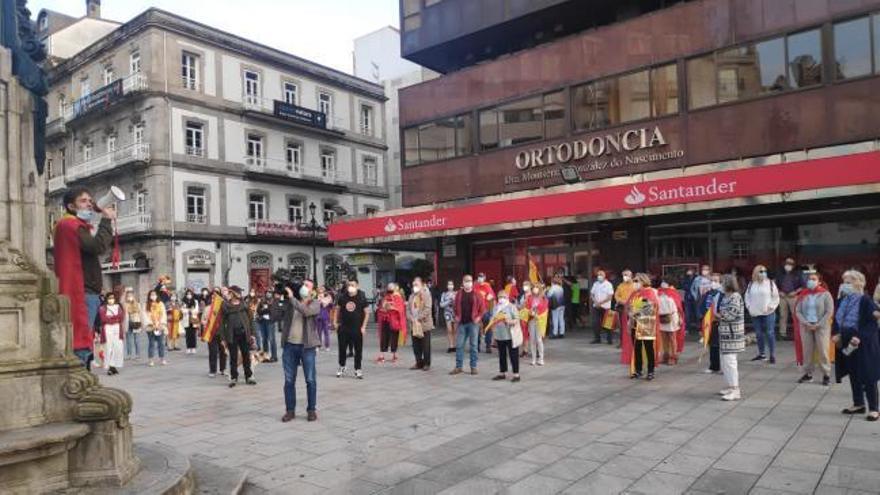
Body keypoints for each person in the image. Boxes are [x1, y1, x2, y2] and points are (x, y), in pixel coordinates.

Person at [52, 187, 115, 369]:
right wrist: (105, 221)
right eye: (83, 201)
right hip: (83, 293)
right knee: (81, 342)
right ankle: (79, 381)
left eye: (90, 200)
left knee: (83, 339)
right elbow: (97, 246)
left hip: (86, 291)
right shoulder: (71, 225)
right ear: (71, 206)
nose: (89, 204)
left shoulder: (71, 225)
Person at [833, 270, 880, 421]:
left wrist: (859, 337)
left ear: (857, 283)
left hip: (863, 342)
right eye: (844, 282)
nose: (844, 285)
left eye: (848, 282)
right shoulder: (842, 300)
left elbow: (872, 324)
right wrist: (835, 333)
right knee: (853, 372)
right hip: (846, 340)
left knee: (868, 374)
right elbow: (837, 319)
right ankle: (858, 403)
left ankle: (874, 408)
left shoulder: (865, 300)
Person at [281, 282, 321, 422]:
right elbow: (277, 314)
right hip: (289, 346)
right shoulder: (292, 301)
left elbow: (306, 311)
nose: (304, 287)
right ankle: (290, 411)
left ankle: (311, 410)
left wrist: (292, 298)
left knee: (310, 380)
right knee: (289, 380)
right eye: (303, 284)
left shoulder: (315, 303)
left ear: (312, 290)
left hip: (307, 347)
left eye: (307, 285)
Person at [795, 271, 834, 386]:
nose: (810, 281)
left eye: (813, 279)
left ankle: (826, 374)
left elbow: (829, 311)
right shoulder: (804, 294)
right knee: (807, 351)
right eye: (809, 279)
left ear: (819, 282)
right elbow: (798, 311)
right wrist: (806, 322)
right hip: (806, 326)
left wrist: (819, 324)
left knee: (823, 350)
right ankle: (808, 374)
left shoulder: (825, 294)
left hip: (821, 326)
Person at [621, 273, 660, 380]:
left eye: (636, 281)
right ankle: (638, 370)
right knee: (636, 348)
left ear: (643, 281)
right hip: (635, 324)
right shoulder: (635, 293)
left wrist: (633, 312)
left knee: (648, 348)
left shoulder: (649, 292)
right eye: (634, 281)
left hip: (646, 325)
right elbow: (629, 306)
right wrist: (630, 313)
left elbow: (647, 307)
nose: (634, 283)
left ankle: (651, 371)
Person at [220, 286, 257, 388]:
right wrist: (223, 338)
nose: (240, 294)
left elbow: (251, 321)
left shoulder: (244, 305)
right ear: (233, 294)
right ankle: (233, 377)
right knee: (233, 357)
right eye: (238, 292)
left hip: (244, 334)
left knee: (246, 356)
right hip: (231, 335)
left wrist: (253, 334)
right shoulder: (225, 306)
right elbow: (221, 324)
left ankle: (248, 376)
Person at [717, 274, 746, 401]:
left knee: (730, 362)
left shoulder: (735, 297)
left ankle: (735, 389)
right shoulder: (725, 297)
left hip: (732, 335)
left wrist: (717, 315)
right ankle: (729, 386)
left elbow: (730, 315)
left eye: (721, 282)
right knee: (725, 362)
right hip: (725, 334)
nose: (720, 285)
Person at [451, 275, 487, 375]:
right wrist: (456, 316)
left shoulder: (477, 294)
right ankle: (459, 367)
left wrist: (479, 317)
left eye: (470, 281)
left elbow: (483, 308)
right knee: (459, 345)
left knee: (474, 345)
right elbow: (454, 307)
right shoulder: (459, 294)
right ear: (463, 282)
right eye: (466, 281)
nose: (468, 282)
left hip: (473, 323)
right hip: (462, 323)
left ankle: (473, 367)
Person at [745, 264, 781, 364]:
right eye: (761, 271)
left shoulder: (770, 283)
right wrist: (749, 307)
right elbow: (747, 296)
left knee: (770, 333)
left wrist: (771, 307)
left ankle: (772, 354)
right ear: (756, 272)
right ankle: (762, 354)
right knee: (758, 334)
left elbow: (776, 297)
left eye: (765, 271)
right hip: (755, 312)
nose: (763, 273)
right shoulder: (751, 284)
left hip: (768, 312)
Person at [335, 279, 368, 379]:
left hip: (357, 328)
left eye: (353, 285)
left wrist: (363, 327)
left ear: (357, 286)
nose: (350, 287)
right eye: (349, 285)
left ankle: (358, 369)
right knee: (342, 348)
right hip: (344, 327)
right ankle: (342, 366)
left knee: (358, 349)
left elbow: (367, 313)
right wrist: (334, 322)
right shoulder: (342, 297)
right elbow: (337, 310)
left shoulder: (361, 297)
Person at [488, 291, 521, 382]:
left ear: (507, 297)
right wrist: (492, 324)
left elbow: (517, 319)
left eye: (503, 297)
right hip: (499, 335)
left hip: (510, 335)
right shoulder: (496, 307)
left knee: (513, 355)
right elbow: (492, 318)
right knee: (502, 355)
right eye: (499, 297)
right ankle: (502, 373)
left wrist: (508, 321)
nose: (501, 299)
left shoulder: (511, 307)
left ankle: (516, 374)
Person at [408, 277, 434, 371]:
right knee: (416, 346)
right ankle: (418, 362)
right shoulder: (411, 296)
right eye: (413, 285)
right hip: (414, 324)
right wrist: (411, 318)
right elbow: (408, 309)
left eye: (416, 285)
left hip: (424, 324)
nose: (414, 286)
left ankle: (427, 363)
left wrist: (418, 318)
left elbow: (427, 309)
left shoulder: (426, 295)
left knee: (425, 345)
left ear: (422, 285)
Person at [376, 283, 406, 364]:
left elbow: (401, 309)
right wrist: (384, 308)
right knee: (383, 337)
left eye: (391, 288)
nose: (389, 290)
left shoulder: (398, 297)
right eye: (388, 288)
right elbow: (381, 308)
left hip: (394, 321)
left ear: (395, 289)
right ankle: (382, 355)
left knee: (394, 338)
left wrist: (392, 307)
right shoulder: (385, 297)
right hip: (385, 320)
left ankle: (394, 355)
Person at [657, 279, 685, 365]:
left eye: (665, 282)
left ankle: (673, 356)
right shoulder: (658, 292)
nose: (663, 283)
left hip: (672, 317)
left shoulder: (673, 292)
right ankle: (665, 355)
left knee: (672, 338)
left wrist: (680, 318)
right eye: (662, 281)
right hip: (661, 317)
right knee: (663, 338)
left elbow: (679, 307)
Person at [700, 274, 723, 374]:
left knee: (719, 345)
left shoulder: (722, 294)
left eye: (716, 280)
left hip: (719, 322)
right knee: (712, 345)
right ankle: (714, 366)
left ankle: (723, 366)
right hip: (709, 322)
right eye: (712, 280)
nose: (713, 283)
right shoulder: (707, 294)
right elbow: (702, 307)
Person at [99, 291, 125, 376]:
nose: (111, 300)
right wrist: (114, 319)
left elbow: (121, 317)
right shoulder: (103, 308)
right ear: (107, 299)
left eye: (112, 298)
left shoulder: (118, 307)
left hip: (117, 328)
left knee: (117, 347)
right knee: (108, 348)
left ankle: (113, 366)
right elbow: (104, 319)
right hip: (107, 329)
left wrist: (112, 318)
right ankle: (110, 367)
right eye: (109, 298)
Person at [777, 257, 804, 341]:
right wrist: (779, 292)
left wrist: (795, 292)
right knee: (782, 315)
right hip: (782, 297)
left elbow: (803, 286)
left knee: (795, 315)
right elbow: (774, 285)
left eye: (791, 264)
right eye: (787, 263)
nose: (789, 265)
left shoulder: (797, 274)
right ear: (784, 263)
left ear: (793, 265)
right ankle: (782, 333)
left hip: (793, 297)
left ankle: (797, 333)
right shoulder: (779, 273)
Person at [523, 283, 549, 367]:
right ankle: (533, 358)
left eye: (536, 288)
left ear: (540, 289)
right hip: (531, 320)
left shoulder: (544, 298)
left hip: (539, 320)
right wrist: (529, 311)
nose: (535, 289)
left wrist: (537, 314)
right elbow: (526, 308)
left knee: (539, 339)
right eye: (534, 287)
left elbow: (545, 309)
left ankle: (541, 358)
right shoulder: (529, 298)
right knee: (532, 339)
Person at [203, 288, 227, 378]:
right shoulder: (208, 308)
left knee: (223, 352)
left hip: (222, 333)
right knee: (212, 352)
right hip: (211, 332)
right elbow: (203, 320)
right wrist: (205, 322)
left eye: (216, 296)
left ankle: (223, 369)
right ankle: (212, 370)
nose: (214, 298)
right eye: (213, 297)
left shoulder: (223, 307)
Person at [590, 270, 615, 345]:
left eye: (601, 274)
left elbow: (610, 297)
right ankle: (597, 338)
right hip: (596, 306)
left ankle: (609, 339)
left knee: (608, 323)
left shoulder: (608, 284)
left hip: (605, 307)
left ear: (605, 276)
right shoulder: (595, 284)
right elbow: (592, 294)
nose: (599, 276)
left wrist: (600, 303)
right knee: (595, 322)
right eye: (598, 275)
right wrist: (595, 302)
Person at [145, 290, 168, 367]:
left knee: (161, 343)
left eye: (154, 294)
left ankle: (162, 358)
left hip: (160, 326)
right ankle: (151, 360)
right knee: (151, 343)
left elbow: (164, 314)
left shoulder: (161, 304)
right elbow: (145, 315)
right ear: (149, 296)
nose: (153, 296)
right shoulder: (146, 304)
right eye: (151, 295)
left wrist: (161, 323)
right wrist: (151, 324)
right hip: (151, 327)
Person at [475, 273, 496, 353]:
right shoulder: (475, 286)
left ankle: (488, 346)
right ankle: (477, 346)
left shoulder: (487, 286)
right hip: (476, 311)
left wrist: (491, 312)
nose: (480, 278)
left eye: (481, 277)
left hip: (486, 310)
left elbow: (492, 298)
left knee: (488, 328)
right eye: (479, 277)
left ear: (484, 278)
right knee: (477, 329)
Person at [123, 288, 143, 361]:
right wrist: (124, 292)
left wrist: (142, 323)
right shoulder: (125, 304)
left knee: (137, 339)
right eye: (128, 296)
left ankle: (138, 354)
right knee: (128, 340)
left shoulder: (137, 304)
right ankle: (129, 354)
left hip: (136, 322)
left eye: (131, 296)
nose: (129, 297)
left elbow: (141, 314)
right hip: (128, 323)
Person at [255, 292, 276, 361]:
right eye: (267, 293)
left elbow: (272, 311)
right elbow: (258, 311)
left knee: (271, 339)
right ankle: (265, 356)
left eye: (270, 293)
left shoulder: (274, 302)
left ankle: (274, 356)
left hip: (270, 322)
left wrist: (264, 310)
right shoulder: (262, 301)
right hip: (262, 321)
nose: (268, 295)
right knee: (264, 339)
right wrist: (264, 310)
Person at [181, 289, 200, 355]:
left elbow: (196, 310)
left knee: (193, 334)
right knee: (188, 334)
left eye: (190, 294)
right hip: (186, 319)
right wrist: (189, 310)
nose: (189, 295)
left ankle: (193, 347)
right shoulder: (183, 301)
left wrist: (190, 310)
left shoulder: (195, 301)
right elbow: (183, 310)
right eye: (187, 294)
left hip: (193, 319)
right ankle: (188, 348)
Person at [440, 281, 457, 353]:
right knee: (449, 330)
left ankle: (455, 345)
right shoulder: (444, 294)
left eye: (452, 284)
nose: (450, 286)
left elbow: (459, 303)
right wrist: (449, 300)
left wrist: (454, 301)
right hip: (447, 313)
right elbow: (441, 304)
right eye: (449, 284)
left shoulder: (456, 293)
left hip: (455, 313)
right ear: (447, 286)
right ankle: (451, 345)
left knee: (455, 330)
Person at [316, 286, 334, 353]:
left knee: (326, 332)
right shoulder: (316, 297)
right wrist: (319, 301)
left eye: (322, 289)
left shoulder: (328, 297)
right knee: (318, 333)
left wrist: (330, 302)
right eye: (320, 289)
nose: (321, 290)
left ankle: (327, 346)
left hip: (325, 317)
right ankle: (318, 346)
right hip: (318, 317)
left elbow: (331, 307)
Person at [682, 267, 697, 332]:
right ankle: (688, 327)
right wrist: (691, 287)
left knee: (696, 312)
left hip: (695, 297)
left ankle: (698, 327)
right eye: (689, 270)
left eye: (691, 270)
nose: (689, 272)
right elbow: (684, 286)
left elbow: (697, 286)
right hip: (687, 297)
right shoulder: (685, 278)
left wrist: (691, 287)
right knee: (687, 313)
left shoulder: (697, 278)